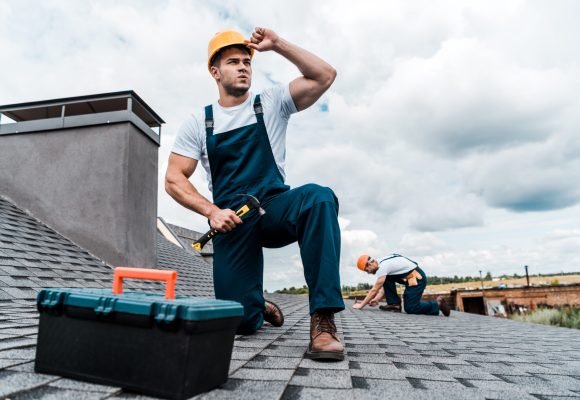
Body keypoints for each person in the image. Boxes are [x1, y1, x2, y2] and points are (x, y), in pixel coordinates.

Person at [165, 28, 345, 360]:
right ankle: (255, 304)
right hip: (231, 222)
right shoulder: (200, 123)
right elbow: (174, 179)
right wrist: (211, 211)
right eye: (233, 62)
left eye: (247, 61)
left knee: (319, 197)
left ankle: (323, 320)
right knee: (240, 323)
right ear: (215, 72)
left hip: (274, 210)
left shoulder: (272, 103)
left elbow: (324, 76)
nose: (243, 67)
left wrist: (277, 45)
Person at [352, 254, 450, 316]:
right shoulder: (381, 264)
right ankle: (394, 304)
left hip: (418, 279)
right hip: (412, 278)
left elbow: (374, 290)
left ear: (369, 264)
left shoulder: (383, 267)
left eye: (366, 270)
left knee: (411, 308)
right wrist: (377, 299)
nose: (368, 273)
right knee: (388, 278)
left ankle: (437, 304)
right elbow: (385, 285)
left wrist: (361, 305)